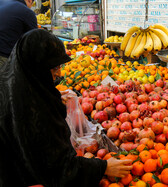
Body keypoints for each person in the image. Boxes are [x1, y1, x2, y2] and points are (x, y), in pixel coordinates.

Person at [0, 29, 132, 186]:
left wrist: (52, 98)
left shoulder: (13, 84)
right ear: (38, 66)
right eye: (54, 68)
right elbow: (58, 168)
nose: (60, 73)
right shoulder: (34, 114)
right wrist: (103, 167)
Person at [0, 0, 37, 67]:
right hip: (4, 56)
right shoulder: (27, 12)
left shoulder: (2, 2)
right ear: (29, 1)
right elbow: (35, 41)